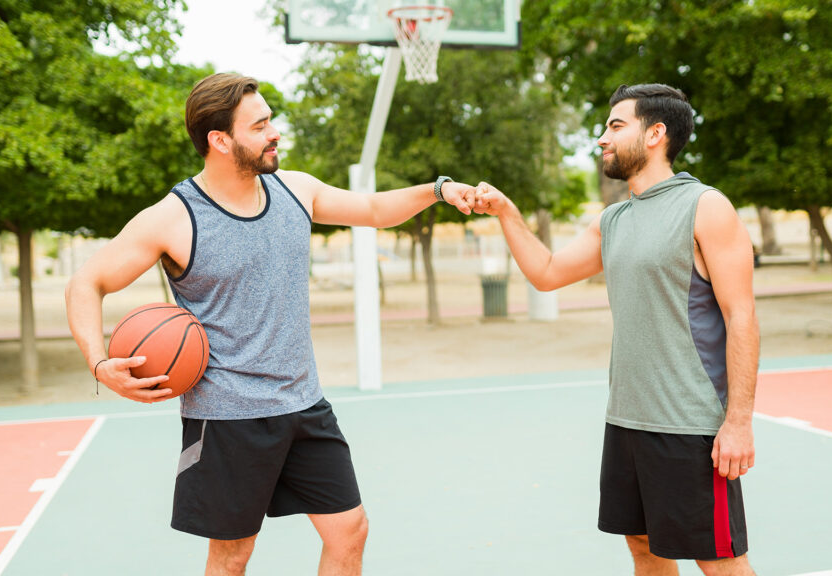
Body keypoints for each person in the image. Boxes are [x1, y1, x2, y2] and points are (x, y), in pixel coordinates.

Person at [65, 72, 476, 576]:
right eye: (259, 126)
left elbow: (371, 208)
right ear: (220, 140)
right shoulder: (173, 218)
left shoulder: (295, 190)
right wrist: (99, 362)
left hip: (304, 403)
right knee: (233, 553)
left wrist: (439, 189)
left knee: (350, 529)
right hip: (227, 416)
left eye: (270, 121)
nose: (274, 132)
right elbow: (85, 283)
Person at [473, 83, 759, 575]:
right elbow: (546, 273)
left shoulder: (706, 207)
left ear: (656, 133)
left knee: (719, 563)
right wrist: (506, 212)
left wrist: (738, 423)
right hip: (627, 419)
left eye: (615, 125)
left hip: (689, 424)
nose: (602, 138)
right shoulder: (613, 219)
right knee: (642, 547)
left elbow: (742, 318)